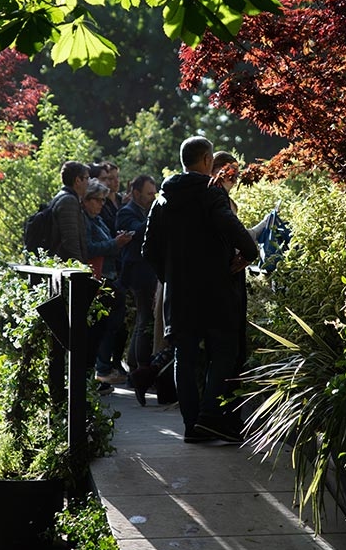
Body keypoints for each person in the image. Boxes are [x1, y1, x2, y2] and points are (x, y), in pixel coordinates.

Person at [143, 136, 258, 443]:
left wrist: (170, 276)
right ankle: (209, 415)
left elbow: (148, 250)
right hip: (216, 291)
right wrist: (250, 253)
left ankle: (192, 426)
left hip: (179, 294)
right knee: (224, 351)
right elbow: (233, 228)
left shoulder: (163, 200)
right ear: (208, 160)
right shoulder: (212, 194)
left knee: (185, 355)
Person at [81, 179, 132, 386]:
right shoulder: (85, 220)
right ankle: (96, 371)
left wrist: (116, 241)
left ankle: (97, 371)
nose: (102, 204)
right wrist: (114, 243)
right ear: (87, 200)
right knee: (99, 328)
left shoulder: (97, 219)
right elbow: (89, 249)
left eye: (104, 200)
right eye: (99, 200)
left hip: (108, 276)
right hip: (97, 280)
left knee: (110, 326)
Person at [116, 174, 159, 374]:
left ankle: (135, 365)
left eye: (154, 193)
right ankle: (138, 367)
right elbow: (140, 232)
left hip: (147, 272)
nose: (153, 197)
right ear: (136, 193)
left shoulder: (143, 210)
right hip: (138, 274)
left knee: (144, 319)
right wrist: (156, 214)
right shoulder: (126, 213)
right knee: (144, 319)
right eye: (149, 193)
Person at [51, 160, 90, 262]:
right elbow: (70, 240)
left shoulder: (63, 197)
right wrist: (80, 267)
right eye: (86, 178)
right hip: (66, 266)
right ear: (77, 180)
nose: (88, 182)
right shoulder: (69, 201)